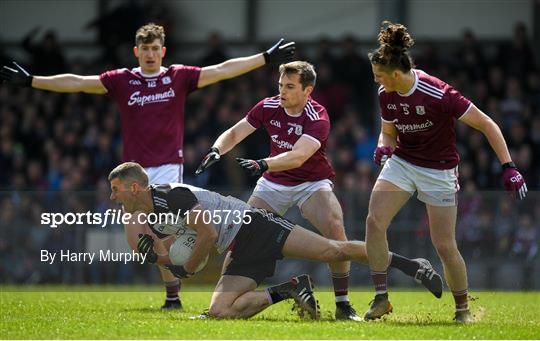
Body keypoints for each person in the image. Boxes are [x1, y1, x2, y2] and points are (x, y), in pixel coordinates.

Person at [0, 23, 295, 310]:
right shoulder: (121, 80)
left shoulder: (178, 77)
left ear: (163, 51)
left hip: (167, 170)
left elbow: (220, 71)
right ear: (136, 51)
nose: (150, 54)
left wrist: (265, 58)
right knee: (136, 240)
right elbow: (78, 82)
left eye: (155, 48)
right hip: (133, 173)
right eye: (145, 49)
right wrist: (31, 80)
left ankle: (172, 296)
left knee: (158, 233)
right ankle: (177, 266)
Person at [108, 162, 444, 320]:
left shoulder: (173, 196)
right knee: (219, 311)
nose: (112, 197)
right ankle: (290, 289)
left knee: (333, 249)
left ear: (134, 188)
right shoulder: (152, 211)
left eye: (116, 189)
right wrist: (160, 259)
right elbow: (172, 249)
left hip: (254, 227)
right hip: (239, 245)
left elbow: (208, 234)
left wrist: (190, 267)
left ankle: (413, 265)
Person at [363, 21, 528, 323]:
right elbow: (388, 132)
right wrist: (383, 146)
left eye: (379, 76)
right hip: (402, 162)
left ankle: (463, 310)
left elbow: (487, 124)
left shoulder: (438, 93)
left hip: (438, 170)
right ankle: (381, 298)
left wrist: (509, 167)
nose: (376, 81)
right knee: (374, 222)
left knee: (443, 244)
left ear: (396, 74)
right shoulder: (385, 94)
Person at [194, 61, 361, 320]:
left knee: (335, 230)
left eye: (290, 86)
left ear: (308, 90)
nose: (282, 91)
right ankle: (221, 303)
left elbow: (297, 157)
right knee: (242, 235)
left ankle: (343, 304)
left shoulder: (318, 117)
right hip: (273, 183)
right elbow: (235, 133)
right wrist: (217, 149)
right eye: (281, 85)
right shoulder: (268, 106)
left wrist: (263, 163)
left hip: (311, 183)